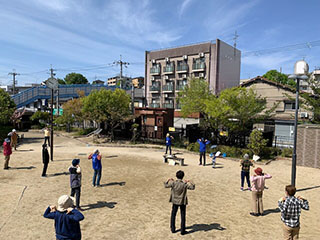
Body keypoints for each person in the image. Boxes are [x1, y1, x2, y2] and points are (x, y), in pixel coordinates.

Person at [164, 170, 195, 235]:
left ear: (176, 176)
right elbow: (192, 187)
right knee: (183, 216)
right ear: (183, 177)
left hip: (175, 201)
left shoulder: (173, 183)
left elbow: (165, 185)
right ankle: (182, 230)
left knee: (173, 215)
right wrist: (190, 182)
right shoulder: (184, 184)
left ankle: (173, 229)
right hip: (182, 201)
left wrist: (168, 180)